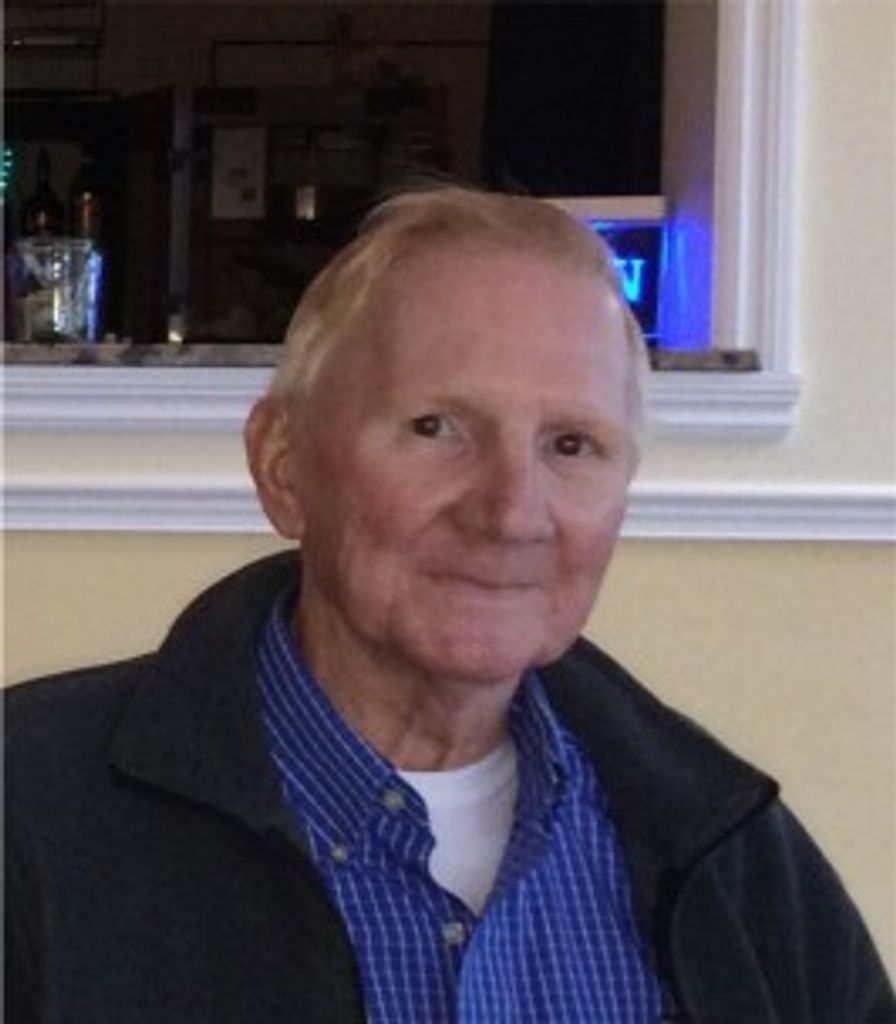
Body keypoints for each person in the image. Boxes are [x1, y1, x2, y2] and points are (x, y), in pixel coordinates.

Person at [5, 187, 893, 1024]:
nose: (510, 513)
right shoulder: (29, 816)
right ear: (284, 465)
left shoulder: (732, 857)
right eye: (435, 429)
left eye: (571, 445)